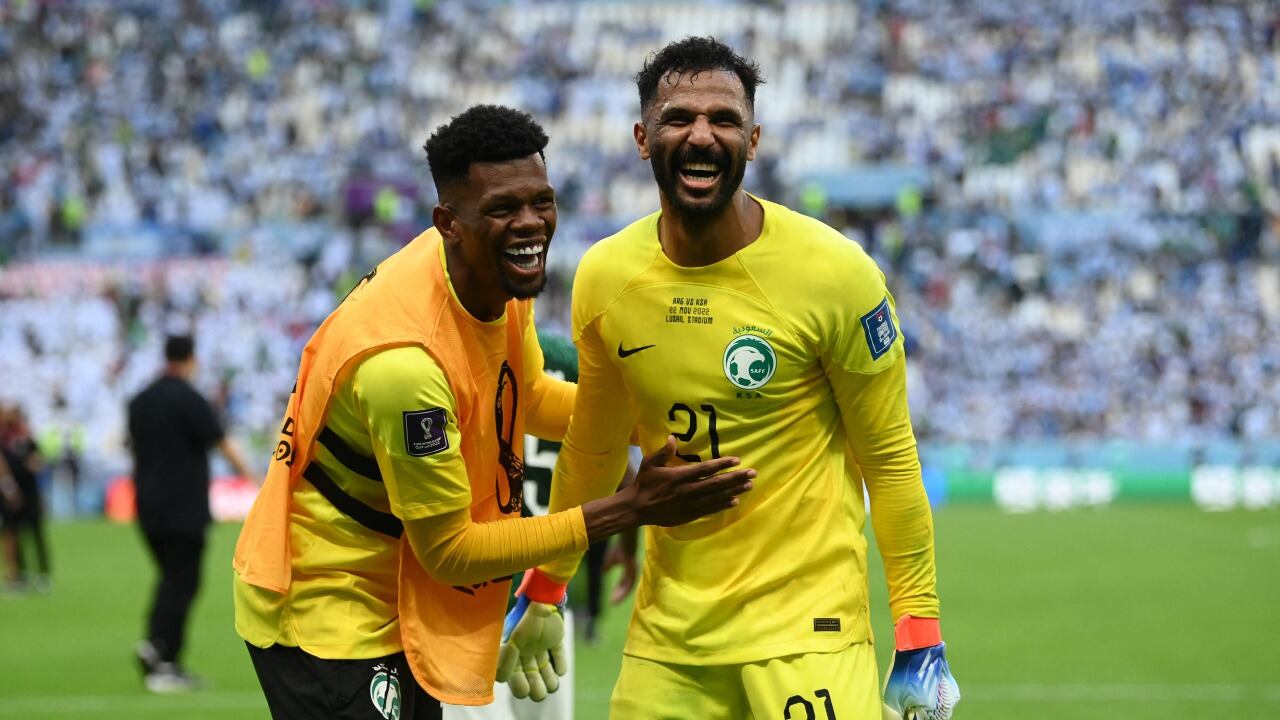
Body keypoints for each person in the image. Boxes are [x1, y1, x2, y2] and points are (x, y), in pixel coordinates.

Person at [231, 105, 754, 720]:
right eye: (504, 210)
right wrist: (628, 508)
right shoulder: (406, 366)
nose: (531, 225)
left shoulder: (496, 275)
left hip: (400, 589)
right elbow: (450, 551)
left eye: (542, 200)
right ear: (448, 223)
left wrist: (657, 424)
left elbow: (528, 396)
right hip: (327, 602)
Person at [506, 38, 960, 719]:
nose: (701, 135)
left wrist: (920, 634)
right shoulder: (606, 277)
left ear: (753, 139)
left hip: (811, 636)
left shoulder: (837, 275)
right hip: (670, 642)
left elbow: (890, 462)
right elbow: (595, 450)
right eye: (678, 118)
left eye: (722, 119)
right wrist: (546, 585)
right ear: (641, 137)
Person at [443, 329, 639, 720]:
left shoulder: (465, 356)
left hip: (474, 596)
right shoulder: (575, 365)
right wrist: (629, 551)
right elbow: (626, 476)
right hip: (547, 593)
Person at [127, 334, 254, 693]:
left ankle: (155, 645)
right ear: (190, 358)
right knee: (184, 580)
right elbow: (221, 440)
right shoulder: (189, 398)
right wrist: (254, 479)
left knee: (170, 576)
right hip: (182, 505)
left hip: (147, 505)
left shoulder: (140, 400)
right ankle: (163, 655)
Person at [0, 405, 51, 592]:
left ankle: (42, 572)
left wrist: (34, 462)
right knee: (12, 534)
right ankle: (17, 574)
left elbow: (39, 460)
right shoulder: (4, 439)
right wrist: (9, 489)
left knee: (36, 532)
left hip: (29, 493)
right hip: (10, 495)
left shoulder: (26, 438)